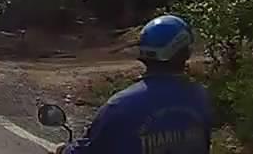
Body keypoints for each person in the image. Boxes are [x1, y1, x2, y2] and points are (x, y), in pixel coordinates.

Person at [57, 14, 212, 154]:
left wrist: (63, 150)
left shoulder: (120, 106)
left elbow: (89, 149)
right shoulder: (200, 97)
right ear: (186, 54)